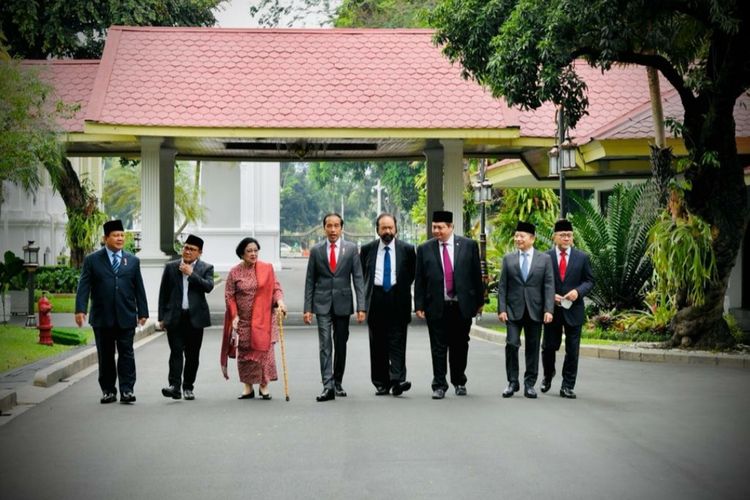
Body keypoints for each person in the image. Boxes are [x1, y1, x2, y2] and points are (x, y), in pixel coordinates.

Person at [75, 220, 148, 404]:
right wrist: (80, 309)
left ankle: (127, 390)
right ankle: (108, 390)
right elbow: (84, 286)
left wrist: (143, 312)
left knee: (126, 353)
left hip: (126, 315)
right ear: (105, 238)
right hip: (102, 317)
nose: (120, 238)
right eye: (116, 235)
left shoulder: (132, 261)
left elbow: (139, 288)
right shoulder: (92, 260)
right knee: (105, 355)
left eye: (122, 235)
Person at [414, 210, 484, 400]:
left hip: (461, 305)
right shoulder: (424, 249)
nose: (436, 231)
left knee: (460, 345)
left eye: (441, 227)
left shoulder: (468, 246)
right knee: (438, 346)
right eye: (434, 227)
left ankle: (459, 381)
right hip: (437, 305)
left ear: (451, 227)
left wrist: (479, 301)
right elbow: (419, 279)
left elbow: (476, 276)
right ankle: (439, 385)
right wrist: (418, 304)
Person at [303, 213, 366, 402]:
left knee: (340, 343)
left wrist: (361, 307)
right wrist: (308, 308)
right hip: (321, 304)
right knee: (325, 344)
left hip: (343, 304)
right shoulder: (316, 250)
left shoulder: (351, 249)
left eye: (336, 226)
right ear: (324, 228)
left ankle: (338, 381)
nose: (332, 230)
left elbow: (358, 278)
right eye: (329, 226)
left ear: (341, 228)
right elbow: (310, 281)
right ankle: (327, 386)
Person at [220, 237, 287, 400]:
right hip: (243, 320)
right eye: (249, 251)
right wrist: (234, 315)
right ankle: (248, 387)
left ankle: (264, 386)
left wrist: (280, 301)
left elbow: (275, 288)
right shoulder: (234, 272)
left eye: (255, 250)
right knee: (244, 353)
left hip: (264, 318)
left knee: (264, 353)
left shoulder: (267, 269)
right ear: (241, 254)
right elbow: (229, 295)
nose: (253, 254)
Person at [359, 213, 416, 396]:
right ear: (377, 230)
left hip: (398, 299)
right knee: (378, 344)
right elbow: (362, 274)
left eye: (390, 227)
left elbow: (412, 273)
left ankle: (398, 380)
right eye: (384, 228)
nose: (387, 231)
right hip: (375, 299)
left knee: (398, 342)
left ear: (396, 229)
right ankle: (381, 383)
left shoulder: (407, 249)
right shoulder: (367, 249)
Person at [497, 221, 554, 399]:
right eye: (516, 235)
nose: (518, 239)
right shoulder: (508, 259)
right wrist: (501, 309)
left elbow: (548, 286)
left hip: (535, 310)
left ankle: (530, 384)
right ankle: (512, 382)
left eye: (522, 236)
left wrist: (549, 309)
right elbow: (503, 286)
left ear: (532, 239)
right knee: (512, 344)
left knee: (533, 347)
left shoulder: (544, 259)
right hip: (513, 310)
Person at [541, 219, 594, 399]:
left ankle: (567, 385)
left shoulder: (582, 258)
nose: (566, 238)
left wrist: (577, 292)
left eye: (569, 235)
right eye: (562, 235)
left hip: (574, 309)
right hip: (552, 310)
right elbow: (539, 282)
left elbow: (589, 281)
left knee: (573, 350)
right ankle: (548, 375)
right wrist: (550, 295)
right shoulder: (545, 257)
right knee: (549, 347)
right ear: (555, 237)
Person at [157, 234, 214, 401]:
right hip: (175, 317)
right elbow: (163, 294)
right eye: (186, 248)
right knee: (175, 352)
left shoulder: (206, 268)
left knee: (192, 355)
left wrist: (191, 274)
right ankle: (174, 386)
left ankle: (188, 387)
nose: (188, 251)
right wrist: (162, 317)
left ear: (200, 252)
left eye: (192, 249)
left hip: (195, 318)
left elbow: (209, 286)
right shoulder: (171, 267)